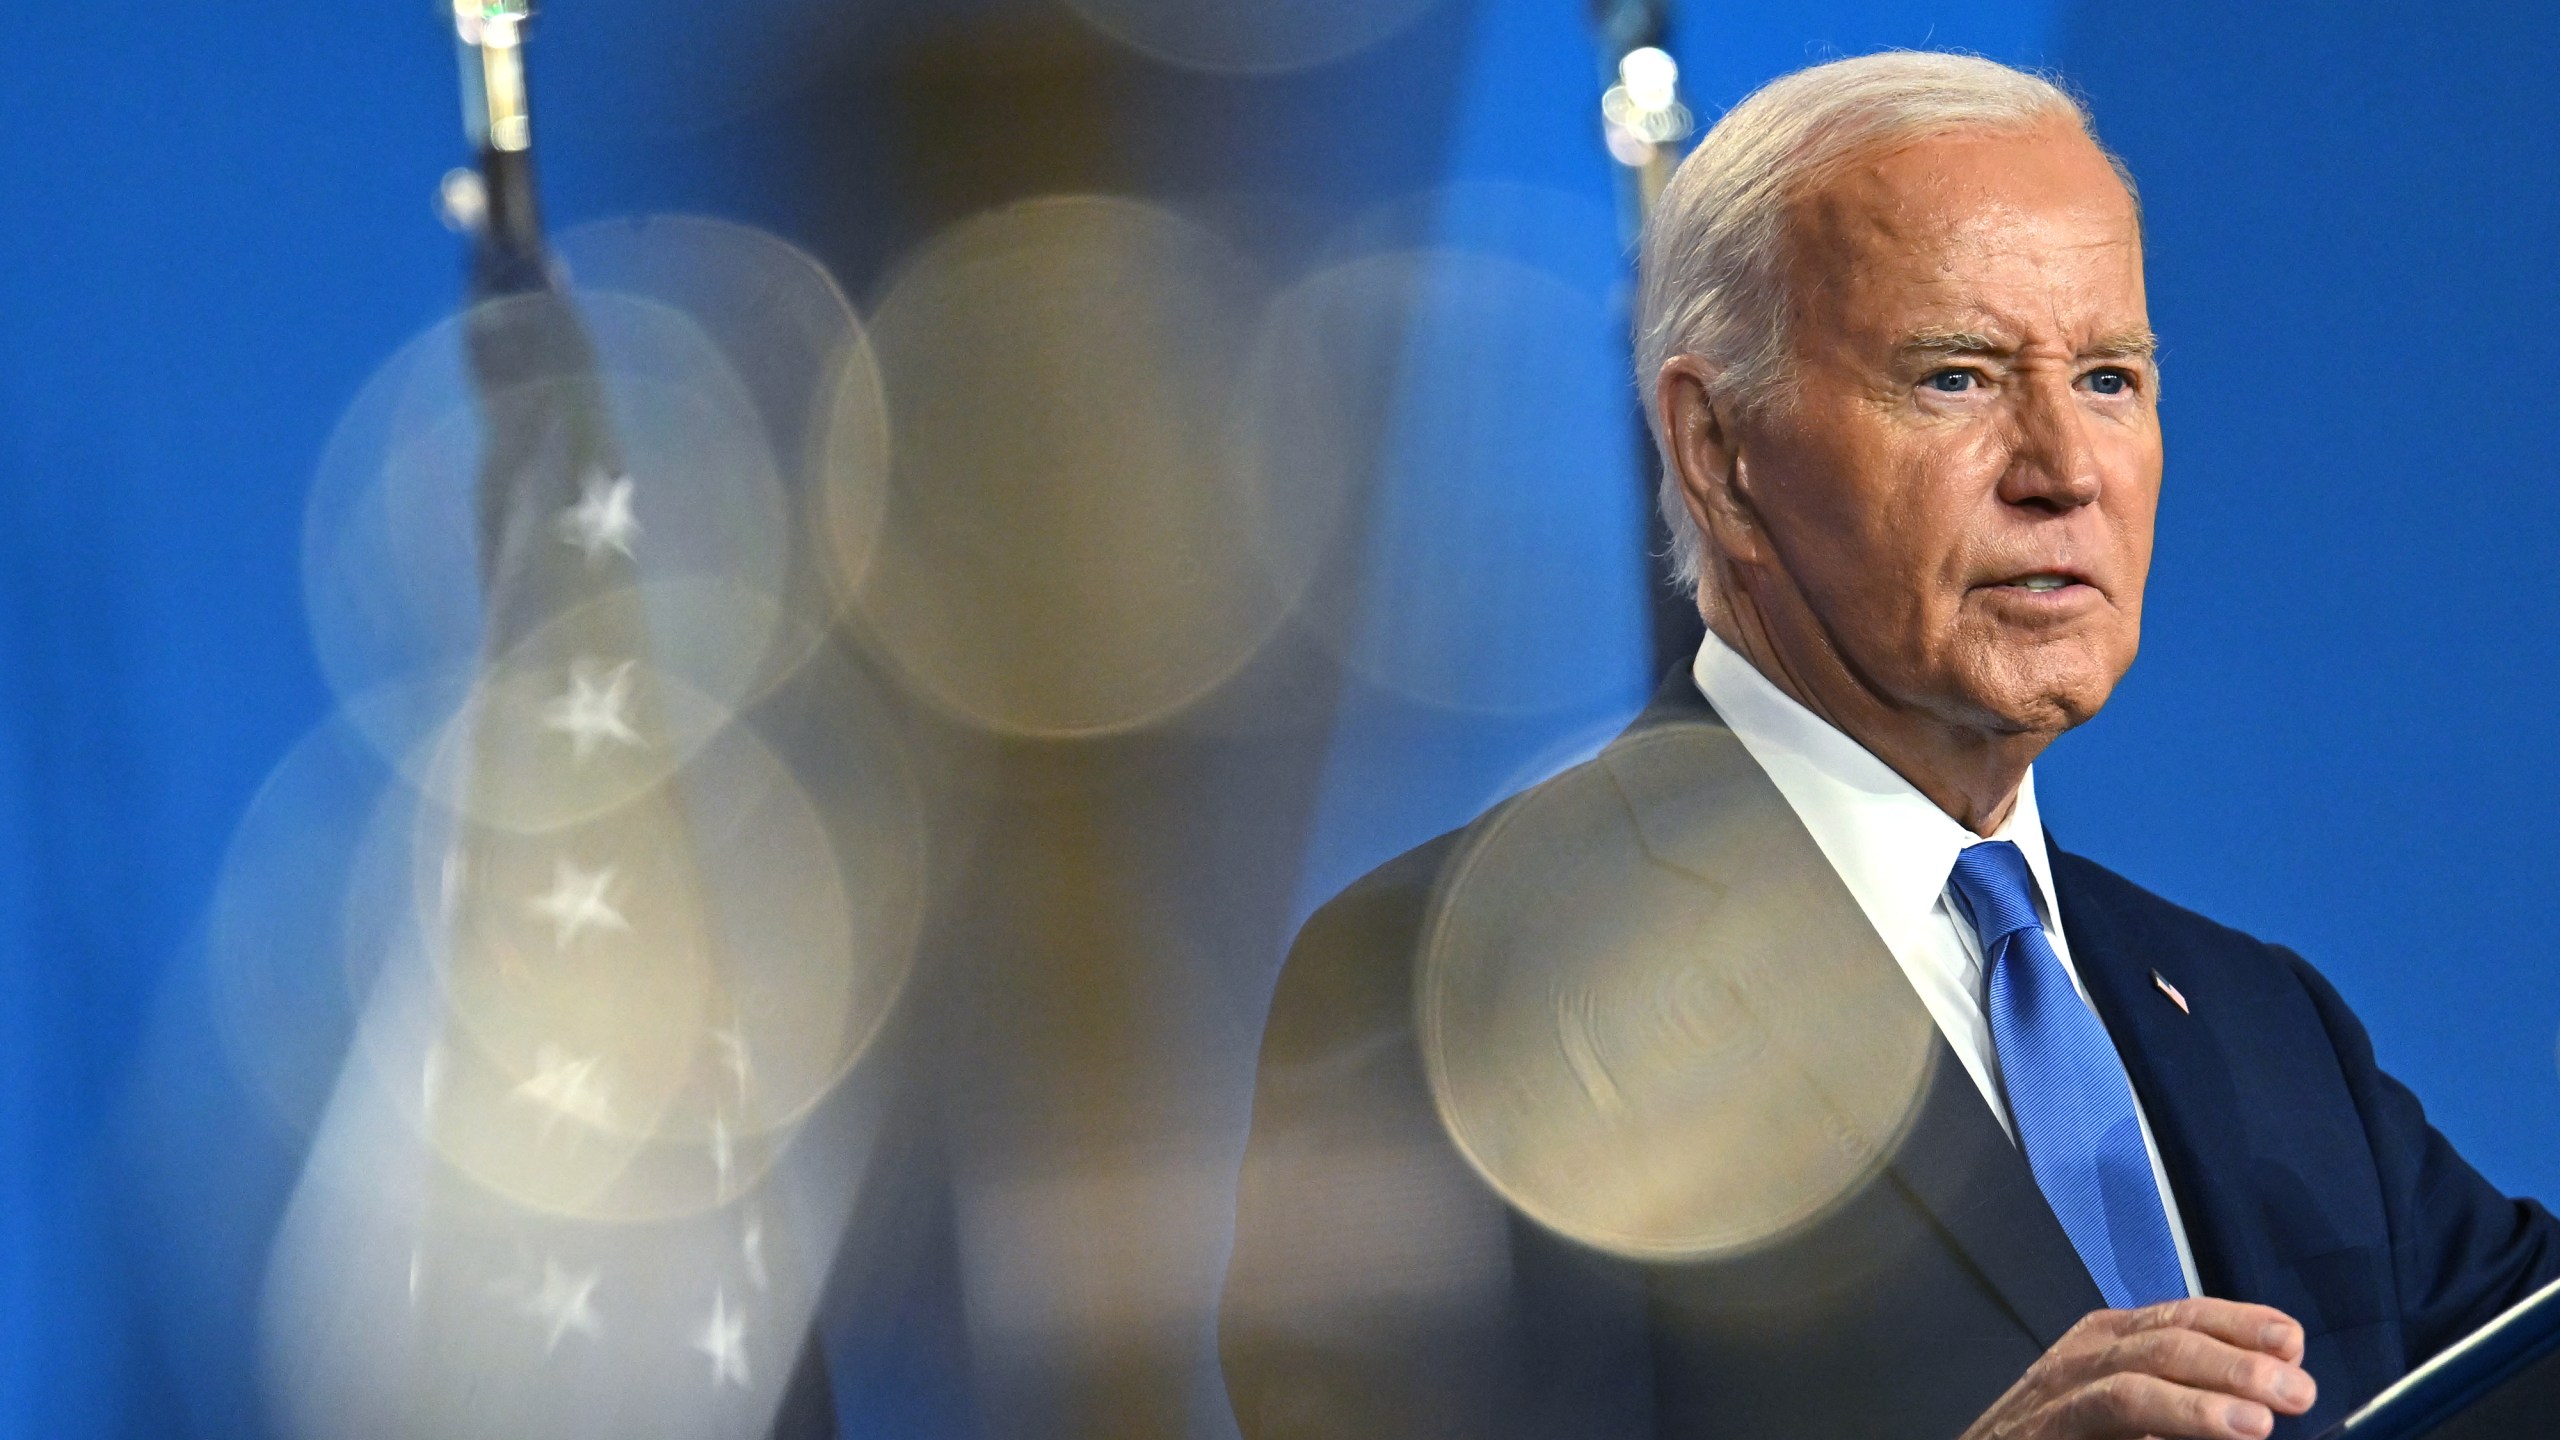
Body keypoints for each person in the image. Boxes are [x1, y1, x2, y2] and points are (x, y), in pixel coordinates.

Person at [1219, 51, 2560, 1440]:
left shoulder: (2266, 1029)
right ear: (1718, 449)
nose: (2064, 470)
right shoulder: (1456, 993)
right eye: (1958, 378)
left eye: (2109, 377)